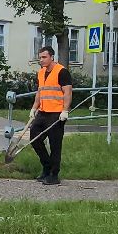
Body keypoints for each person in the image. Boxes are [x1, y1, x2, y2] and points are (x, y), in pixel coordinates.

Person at [29, 45, 72, 185]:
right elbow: (40, 92)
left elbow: (67, 93)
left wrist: (65, 110)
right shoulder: (41, 73)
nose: (41, 60)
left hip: (57, 114)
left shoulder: (62, 72)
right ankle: (46, 166)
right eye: (40, 57)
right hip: (43, 112)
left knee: (55, 145)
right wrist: (34, 108)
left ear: (52, 57)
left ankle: (54, 175)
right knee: (34, 139)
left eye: (44, 57)